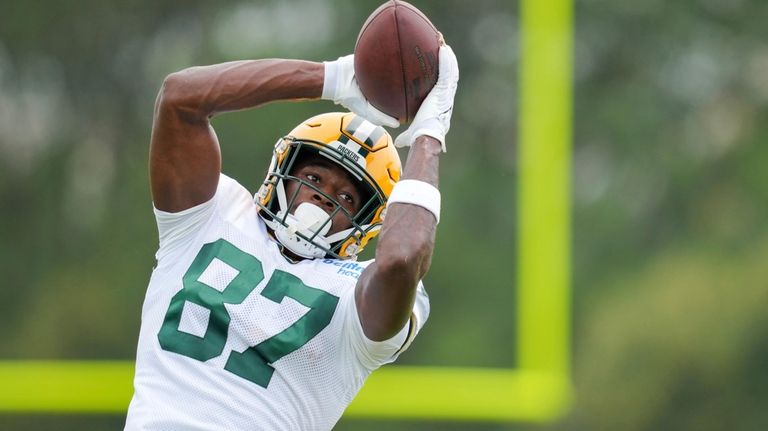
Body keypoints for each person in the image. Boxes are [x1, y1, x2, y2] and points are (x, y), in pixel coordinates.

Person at [123, 34, 458, 430]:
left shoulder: (356, 292)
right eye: (314, 176)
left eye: (347, 199)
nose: (323, 198)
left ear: (367, 223)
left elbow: (403, 256)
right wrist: (335, 78)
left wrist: (429, 134)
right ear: (283, 167)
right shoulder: (212, 212)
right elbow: (181, 97)